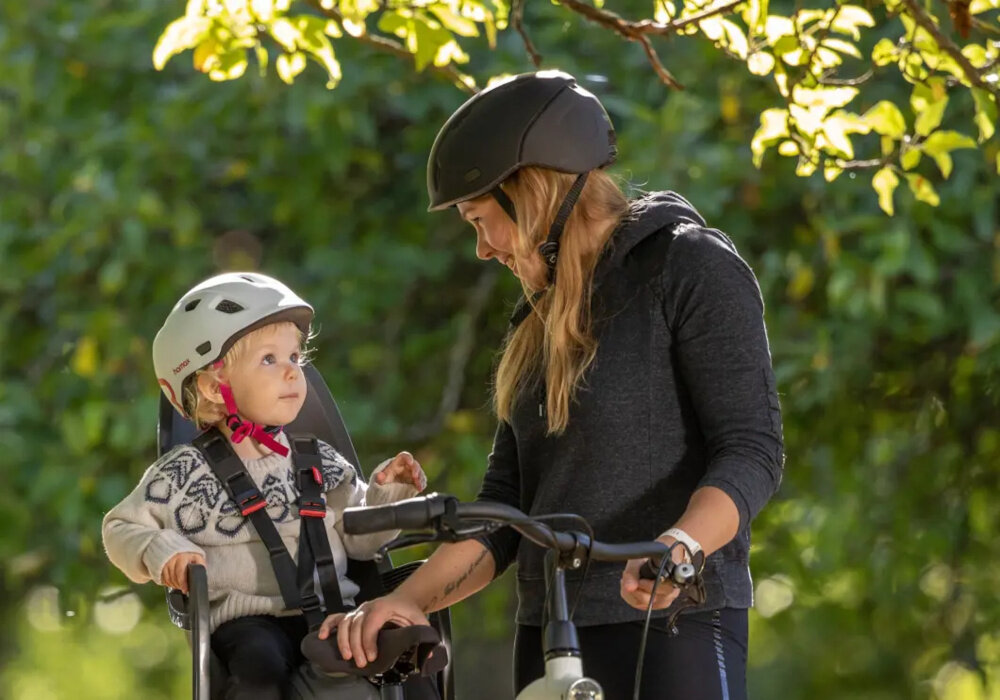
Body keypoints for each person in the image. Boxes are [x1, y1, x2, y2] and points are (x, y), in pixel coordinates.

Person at [321, 70, 785, 699]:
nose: (483, 249)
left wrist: (679, 547)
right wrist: (404, 602)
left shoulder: (689, 267)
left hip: (678, 619)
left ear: (533, 191)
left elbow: (751, 451)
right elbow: (508, 511)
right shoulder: (533, 321)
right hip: (552, 637)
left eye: (482, 219)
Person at [102, 272, 427, 700]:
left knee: (406, 674)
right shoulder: (182, 474)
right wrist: (162, 551)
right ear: (212, 385)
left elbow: (362, 543)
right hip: (250, 623)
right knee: (259, 674)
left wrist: (390, 496)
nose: (293, 373)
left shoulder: (321, 462)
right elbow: (119, 529)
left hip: (338, 616)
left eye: (295, 357)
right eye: (270, 360)